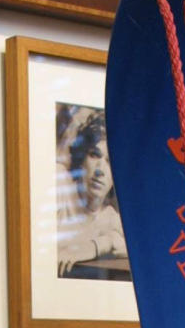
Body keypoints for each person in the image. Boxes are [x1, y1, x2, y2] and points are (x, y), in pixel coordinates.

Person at [55, 108, 129, 278]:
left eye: (110, 163)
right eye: (95, 155)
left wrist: (100, 245)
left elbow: (141, 250)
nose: (100, 171)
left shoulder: (111, 219)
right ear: (81, 158)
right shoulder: (60, 184)